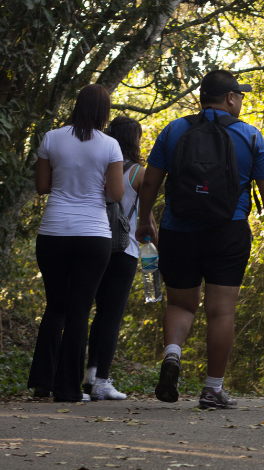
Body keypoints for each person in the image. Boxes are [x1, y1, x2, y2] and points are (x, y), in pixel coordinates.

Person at [136, 70, 264, 408]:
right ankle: (212, 389)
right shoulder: (249, 136)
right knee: (221, 313)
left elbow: (150, 183)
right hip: (227, 232)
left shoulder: (174, 130)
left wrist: (145, 220)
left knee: (179, 304)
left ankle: (173, 355)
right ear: (230, 98)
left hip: (178, 230)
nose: (242, 101)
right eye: (241, 96)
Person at [27, 84, 124, 402]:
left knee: (55, 307)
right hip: (92, 235)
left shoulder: (52, 138)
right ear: (103, 112)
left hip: (53, 232)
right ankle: (68, 390)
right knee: (80, 310)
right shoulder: (110, 145)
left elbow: (42, 186)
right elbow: (115, 194)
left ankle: (43, 382)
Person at [83, 116, 151, 400]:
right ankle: (102, 380)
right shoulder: (139, 173)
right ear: (133, 140)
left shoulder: (99, 166)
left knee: (88, 313)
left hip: (94, 243)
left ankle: (88, 376)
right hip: (126, 250)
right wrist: (155, 250)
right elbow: (147, 216)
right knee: (110, 316)